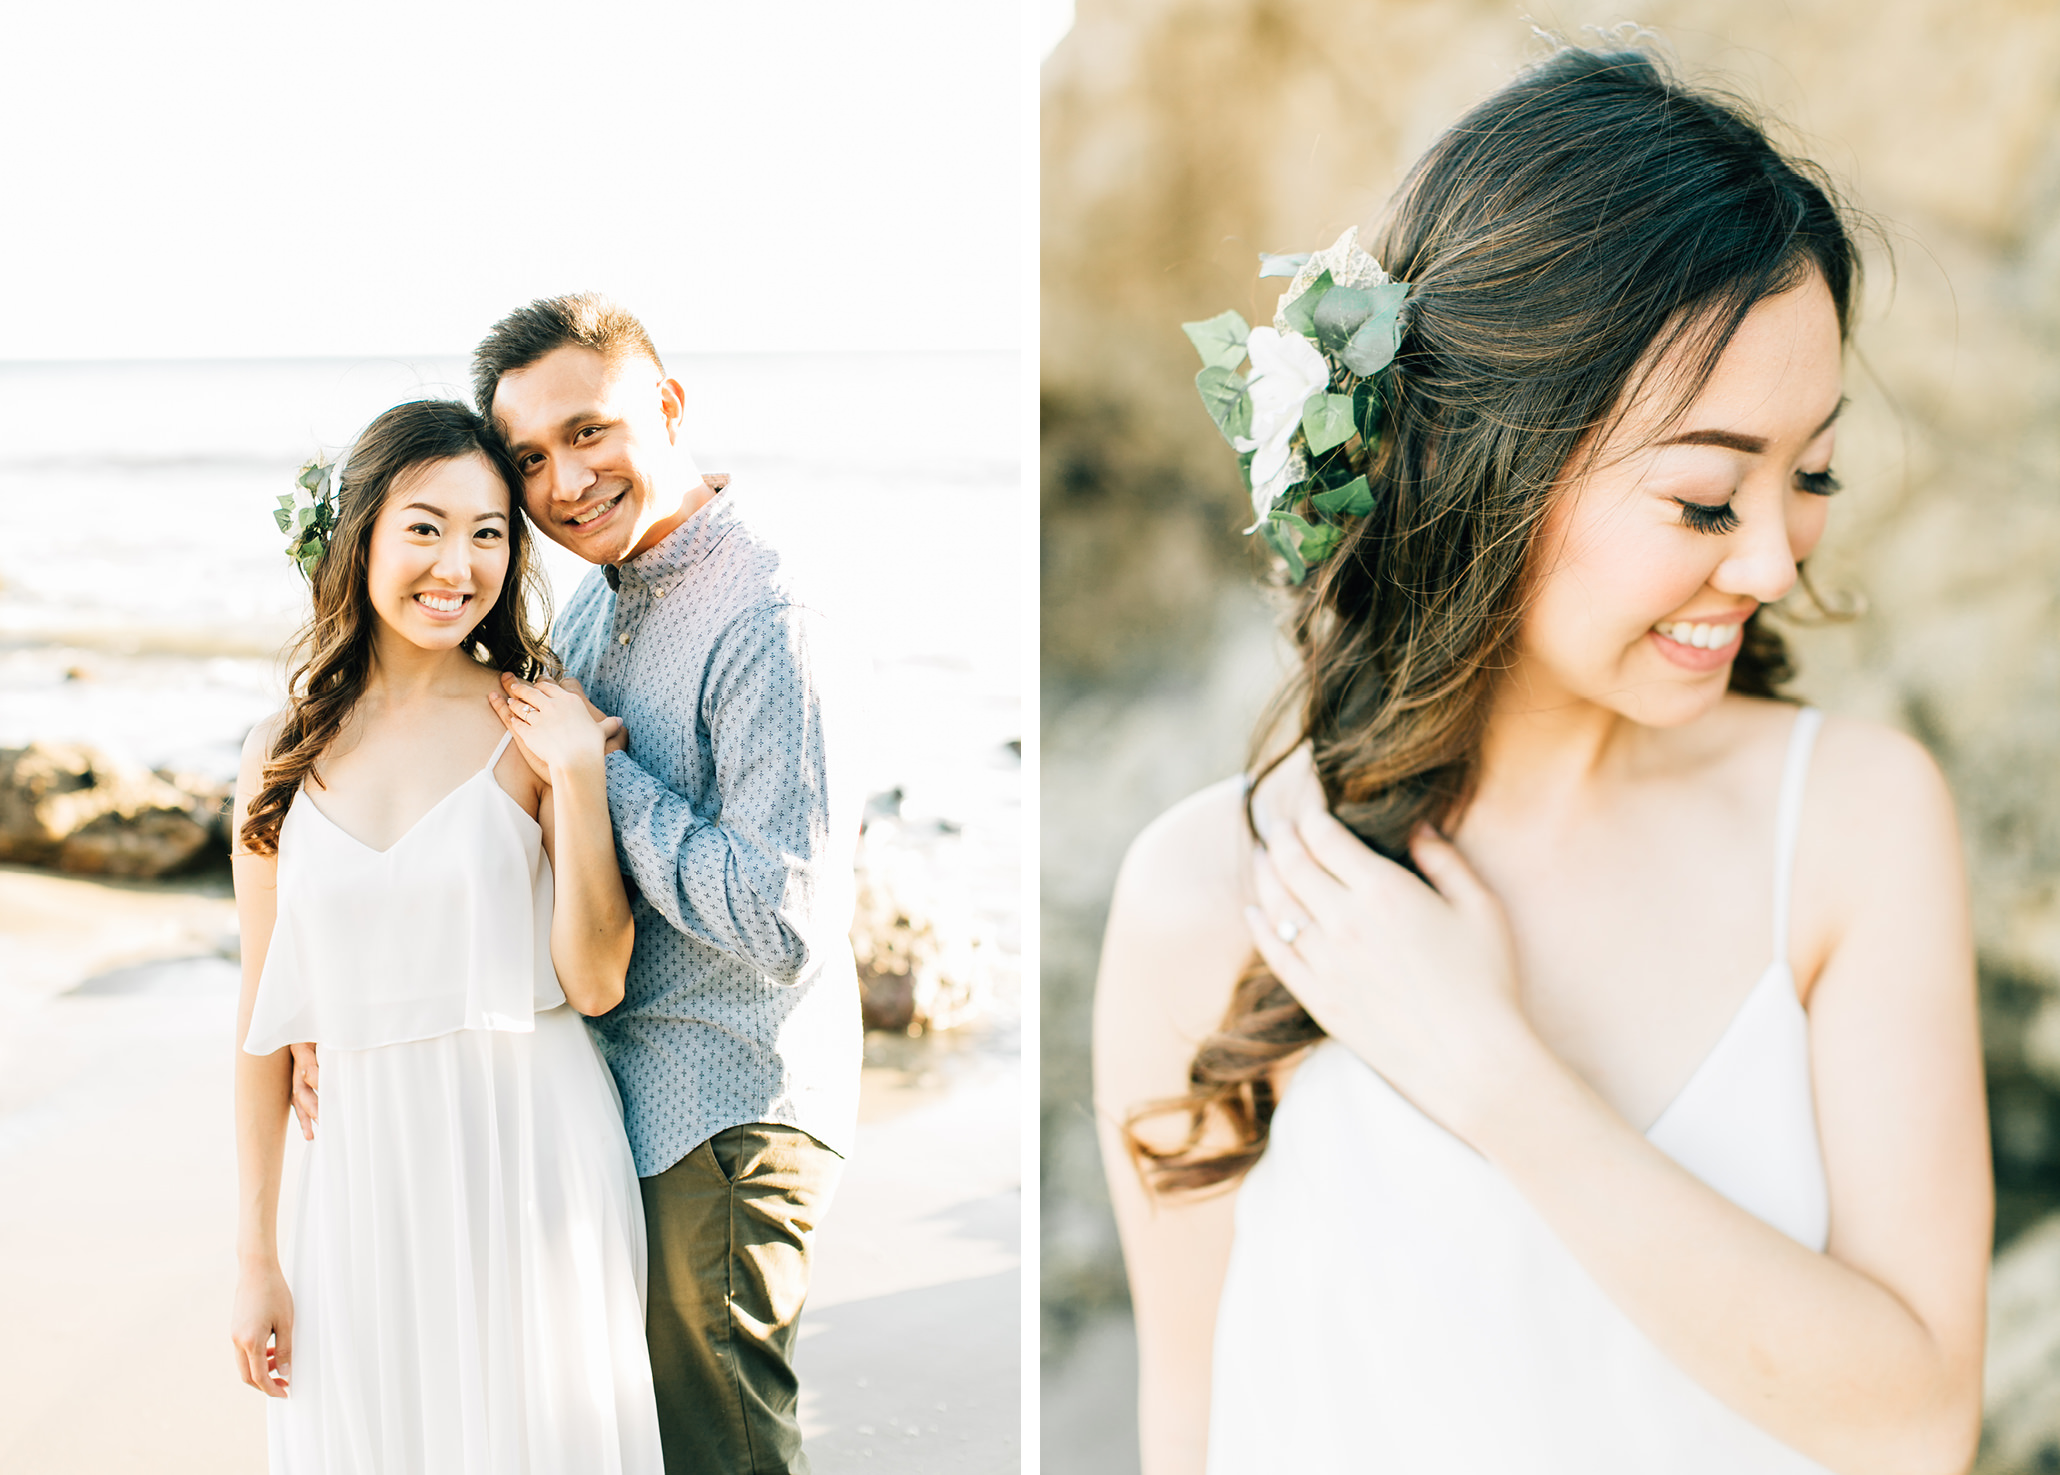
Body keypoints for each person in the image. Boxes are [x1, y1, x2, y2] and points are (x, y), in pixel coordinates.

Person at [1095, 47, 1990, 1475]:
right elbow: (1191, 1430)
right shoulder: (1215, 899)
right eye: (1705, 494)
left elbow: (1920, 1420)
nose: (1770, 554)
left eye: (1810, 472)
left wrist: (1493, 1070)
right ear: (1483, 464)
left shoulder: (1851, 825)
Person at [291, 294, 863, 1473]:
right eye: (533, 460)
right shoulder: (602, 599)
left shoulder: (766, 613)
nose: (567, 481)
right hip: (606, 1109)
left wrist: (601, 768)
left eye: (590, 432)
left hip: (724, 1109)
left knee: (726, 1453)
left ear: (666, 404)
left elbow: (785, 918)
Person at [228, 399, 663, 1471]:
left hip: (529, 1142)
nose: (455, 563)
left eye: (487, 531)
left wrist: (576, 773)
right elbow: (261, 1018)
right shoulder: (279, 749)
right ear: (361, 534)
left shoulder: (538, 724)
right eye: (424, 526)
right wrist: (255, 1253)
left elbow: (597, 978)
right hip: (362, 1166)